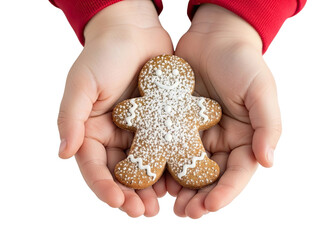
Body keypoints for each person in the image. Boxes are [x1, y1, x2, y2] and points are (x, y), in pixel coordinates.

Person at [51, 0, 306, 218]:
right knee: (146, 156)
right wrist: (116, 21)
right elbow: (125, 112)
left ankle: (193, 166)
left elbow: (207, 110)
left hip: (186, 141)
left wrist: (235, 26)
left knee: (187, 153)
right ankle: (142, 166)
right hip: (148, 142)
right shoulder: (145, 105)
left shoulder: (189, 106)